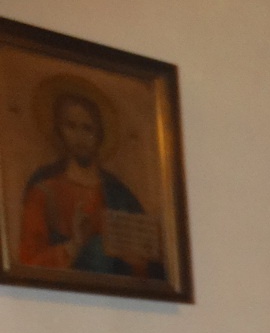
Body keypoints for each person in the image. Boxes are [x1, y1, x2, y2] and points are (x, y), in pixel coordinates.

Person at [19, 87, 163, 279]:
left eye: (88, 128)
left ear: (100, 134)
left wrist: (138, 264)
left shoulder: (120, 195)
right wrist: (74, 245)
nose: (80, 137)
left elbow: (152, 272)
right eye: (71, 126)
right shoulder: (43, 192)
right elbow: (28, 263)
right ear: (59, 131)